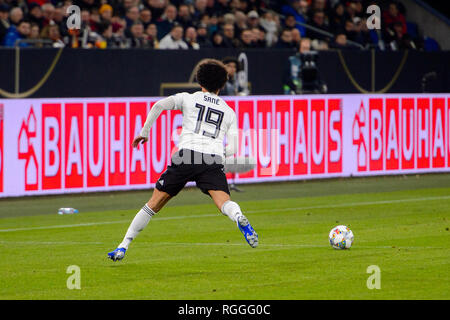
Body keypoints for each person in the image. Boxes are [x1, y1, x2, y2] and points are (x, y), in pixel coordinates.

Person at [107, 59, 259, 261]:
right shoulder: (229, 111)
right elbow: (233, 148)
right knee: (224, 203)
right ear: (222, 85)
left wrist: (144, 132)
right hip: (212, 159)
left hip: (186, 155)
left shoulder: (188, 98)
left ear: (199, 81)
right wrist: (221, 156)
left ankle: (123, 246)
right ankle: (238, 216)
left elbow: (159, 105)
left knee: (154, 204)